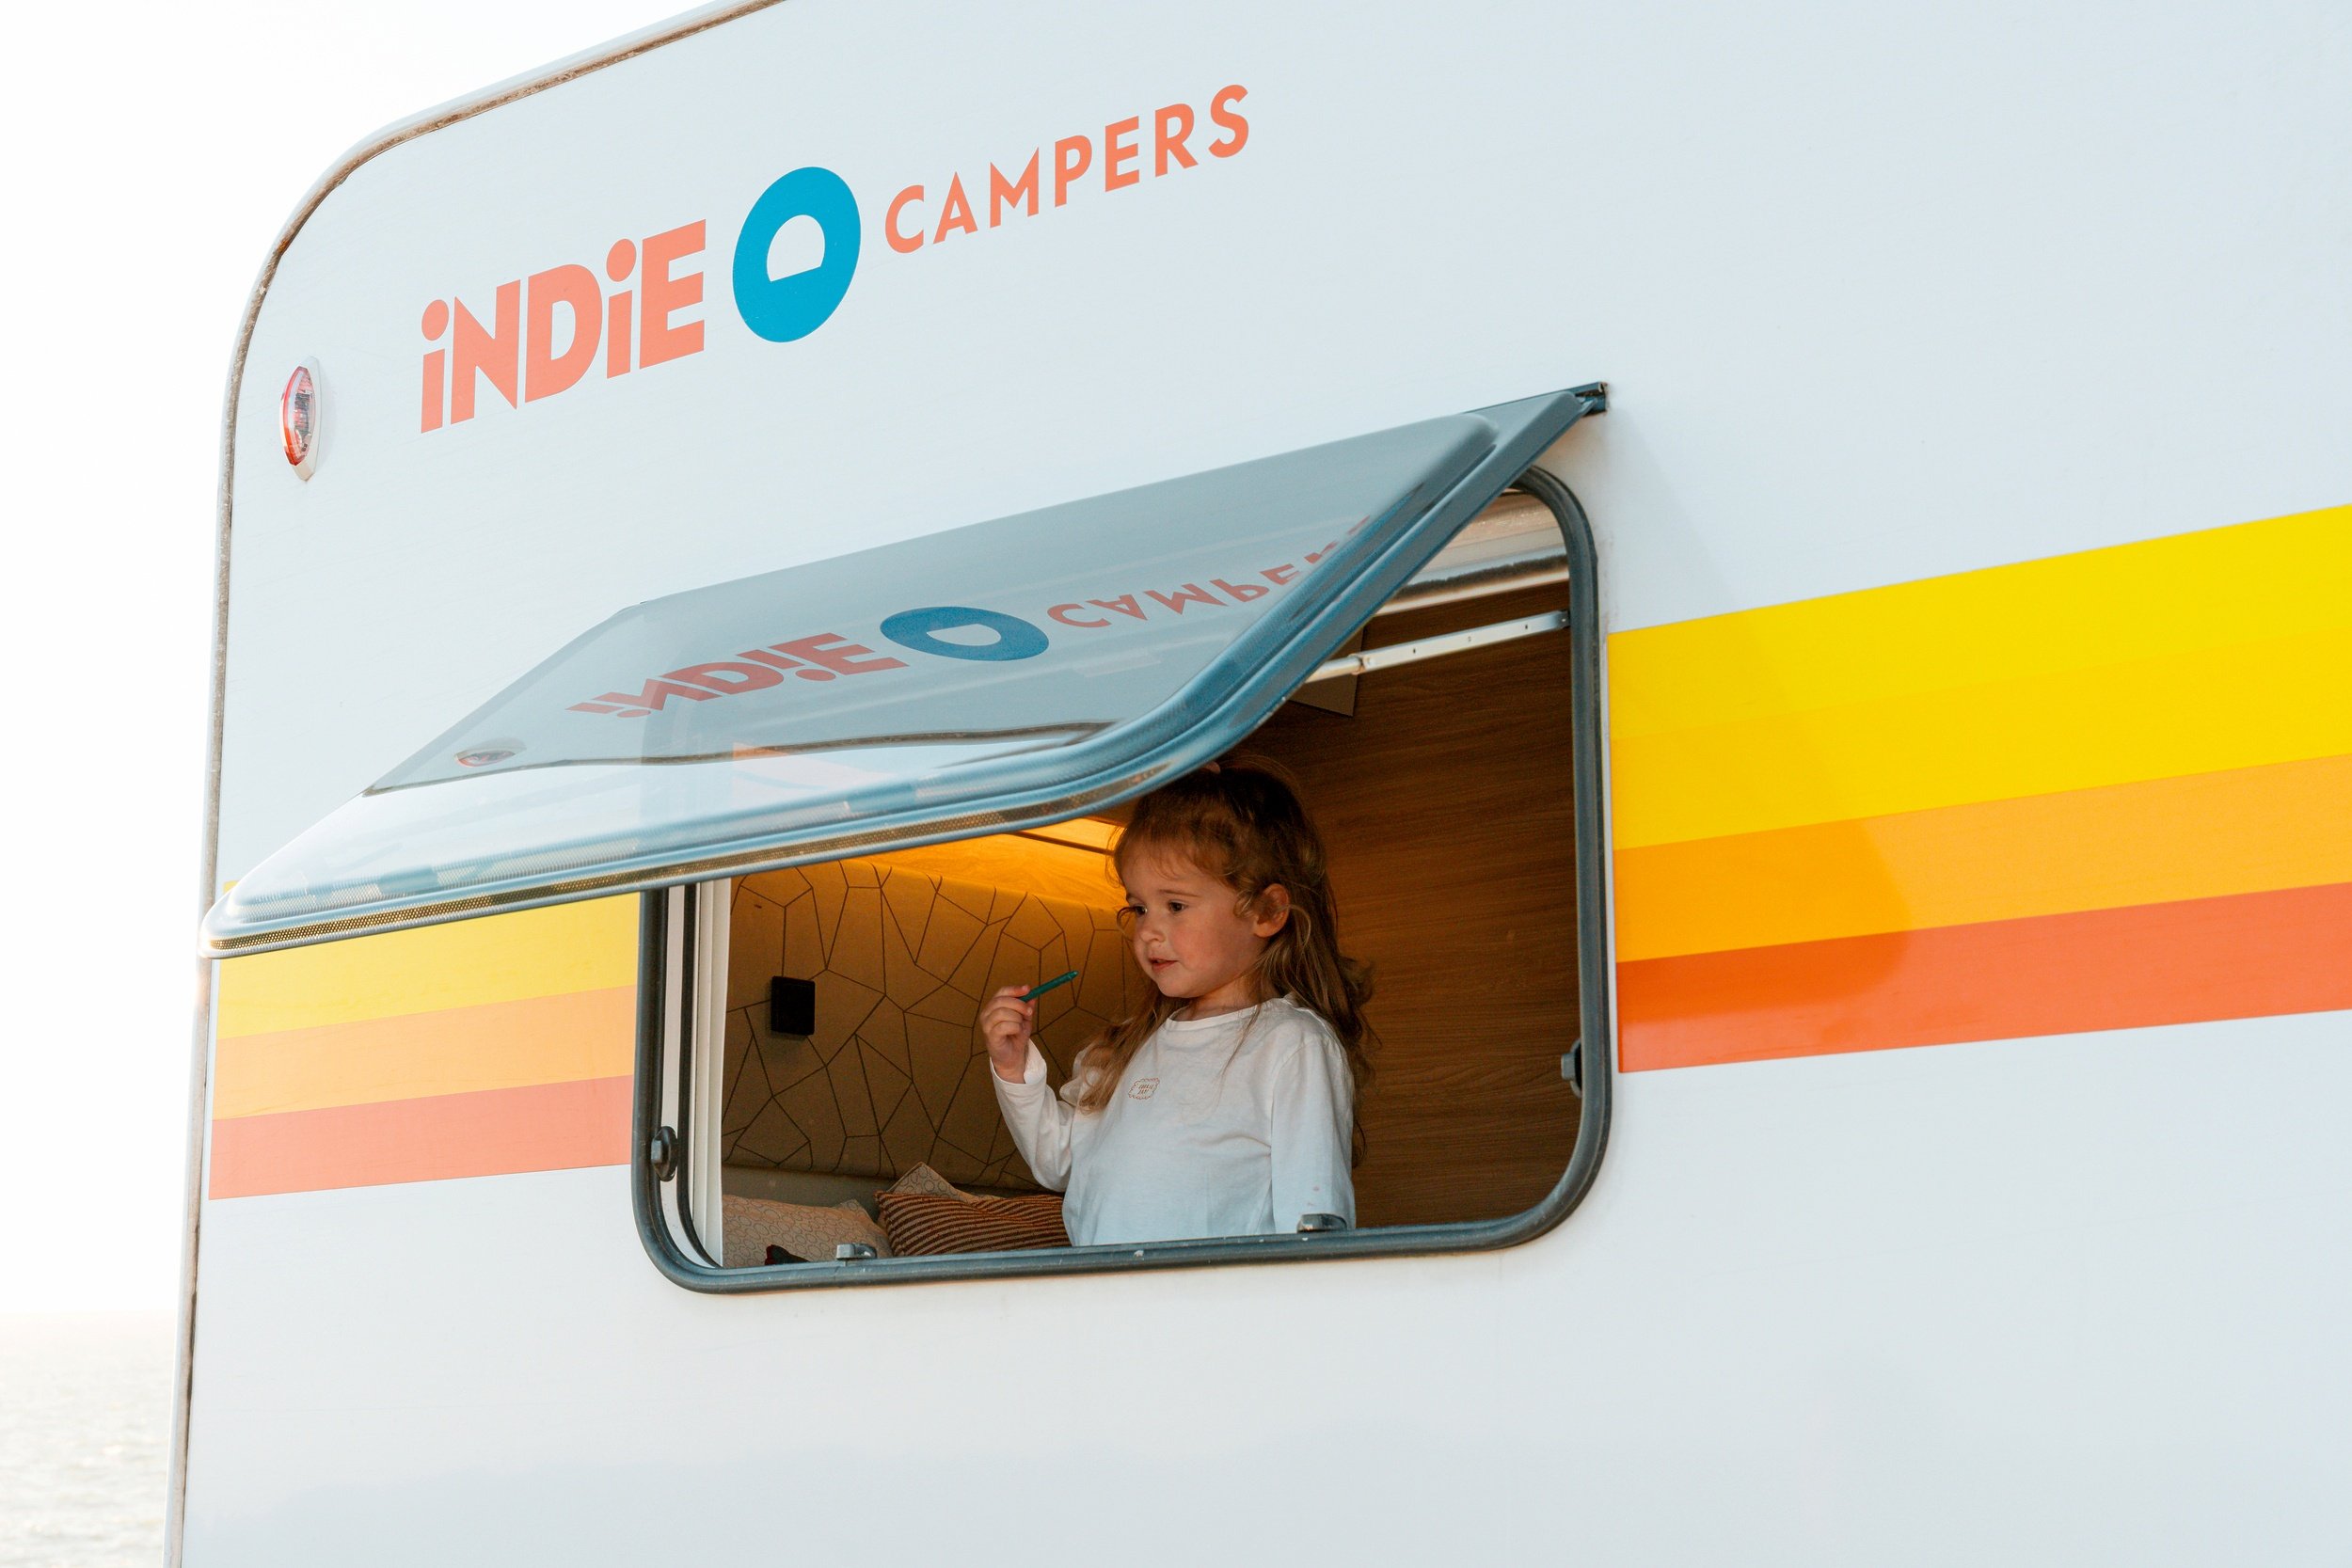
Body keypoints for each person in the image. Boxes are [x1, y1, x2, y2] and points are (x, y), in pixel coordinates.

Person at [981, 760, 1374, 1245]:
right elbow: (1059, 1160)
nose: (1149, 930)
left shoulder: (1293, 1044)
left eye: (1176, 906)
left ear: (1267, 910)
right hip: (1107, 1291)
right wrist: (1014, 1068)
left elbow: (1314, 1225)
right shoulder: (1131, 1045)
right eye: (1140, 907)